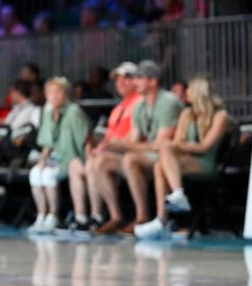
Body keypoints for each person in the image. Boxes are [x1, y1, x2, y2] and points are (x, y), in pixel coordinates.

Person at [91, 60, 183, 234]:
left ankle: (142, 216)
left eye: (138, 78)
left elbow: (161, 144)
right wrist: (111, 146)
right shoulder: (140, 106)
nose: (135, 82)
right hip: (149, 153)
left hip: (170, 156)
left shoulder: (167, 102)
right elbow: (133, 139)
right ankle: (115, 216)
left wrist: (122, 144)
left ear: (153, 81)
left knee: (131, 158)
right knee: (102, 161)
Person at [135, 75, 230, 240]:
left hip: (205, 163)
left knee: (164, 149)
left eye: (189, 89)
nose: (186, 92)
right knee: (159, 164)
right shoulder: (186, 113)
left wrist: (175, 145)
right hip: (184, 160)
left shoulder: (220, 116)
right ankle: (168, 209)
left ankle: (165, 215)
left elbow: (204, 147)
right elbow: (178, 140)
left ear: (199, 92)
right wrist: (175, 145)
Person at [68, 62, 138, 234]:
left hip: (131, 154)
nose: (120, 82)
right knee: (88, 161)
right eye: (118, 79)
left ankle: (113, 216)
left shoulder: (139, 103)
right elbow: (108, 137)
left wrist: (106, 147)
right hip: (114, 153)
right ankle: (95, 216)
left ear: (137, 80)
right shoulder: (118, 108)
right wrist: (96, 147)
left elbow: (134, 138)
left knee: (97, 162)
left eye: (126, 78)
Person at [26, 77, 90, 234]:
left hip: (73, 157)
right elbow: (47, 143)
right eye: (50, 93)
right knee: (36, 173)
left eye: (57, 92)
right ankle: (41, 214)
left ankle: (53, 215)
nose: (53, 96)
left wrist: (87, 161)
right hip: (56, 157)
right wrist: (42, 161)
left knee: (48, 175)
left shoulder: (73, 111)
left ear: (65, 93)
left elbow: (86, 136)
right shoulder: (49, 112)